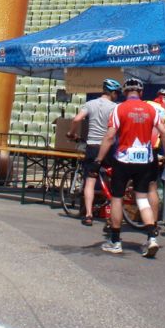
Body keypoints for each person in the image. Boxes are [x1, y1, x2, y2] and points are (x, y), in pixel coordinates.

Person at [94, 77, 165, 257]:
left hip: (123, 159)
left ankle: (115, 241)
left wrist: (98, 159)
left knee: (117, 198)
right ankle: (151, 238)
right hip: (145, 160)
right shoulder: (151, 109)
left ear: (124, 92)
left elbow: (110, 136)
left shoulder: (119, 108)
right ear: (141, 93)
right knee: (142, 198)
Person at [67, 78, 121, 226]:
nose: (117, 95)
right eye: (117, 93)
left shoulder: (90, 104)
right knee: (111, 177)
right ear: (113, 93)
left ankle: (89, 215)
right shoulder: (115, 107)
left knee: (90, 181)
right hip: (108, 147)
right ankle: (111, 210)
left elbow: (76, 119)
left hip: (92, 146)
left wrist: (71, 133)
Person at [146, 88, 165, 220]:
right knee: (153, 187)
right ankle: (152, 222)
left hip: (131, 148)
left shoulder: (144, 104)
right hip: (151, 151)